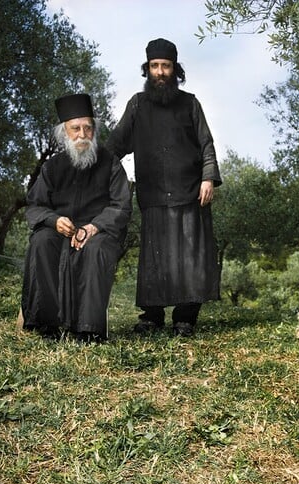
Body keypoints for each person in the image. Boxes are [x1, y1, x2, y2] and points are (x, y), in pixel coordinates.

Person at [107, 37, 222, 337]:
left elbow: (206, 143)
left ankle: (185, 318)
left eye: (165, 66)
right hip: (153, 193)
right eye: (155, 66)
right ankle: (152, 317)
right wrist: (92, 166)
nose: (160, 72)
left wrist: (208, 178)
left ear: (175, 70)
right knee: (154, 260)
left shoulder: (190, 104)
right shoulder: (137, 104)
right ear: (147, 70)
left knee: (190, 258)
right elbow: (117, 143)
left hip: (189, 192)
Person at [21, 93, 132, 342]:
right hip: (61, 231)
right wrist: (54, 221)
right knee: (41, 241)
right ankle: (46, 325)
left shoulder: (110, 164)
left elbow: (121, 206)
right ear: (65, 133)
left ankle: (88, 329)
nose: (82, 135)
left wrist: (94, 227)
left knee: (95, 250)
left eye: (88, 128)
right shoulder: (52, 167)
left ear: (94, 130)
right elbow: (35, 205)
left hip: (98, 232)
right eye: (75, 129)